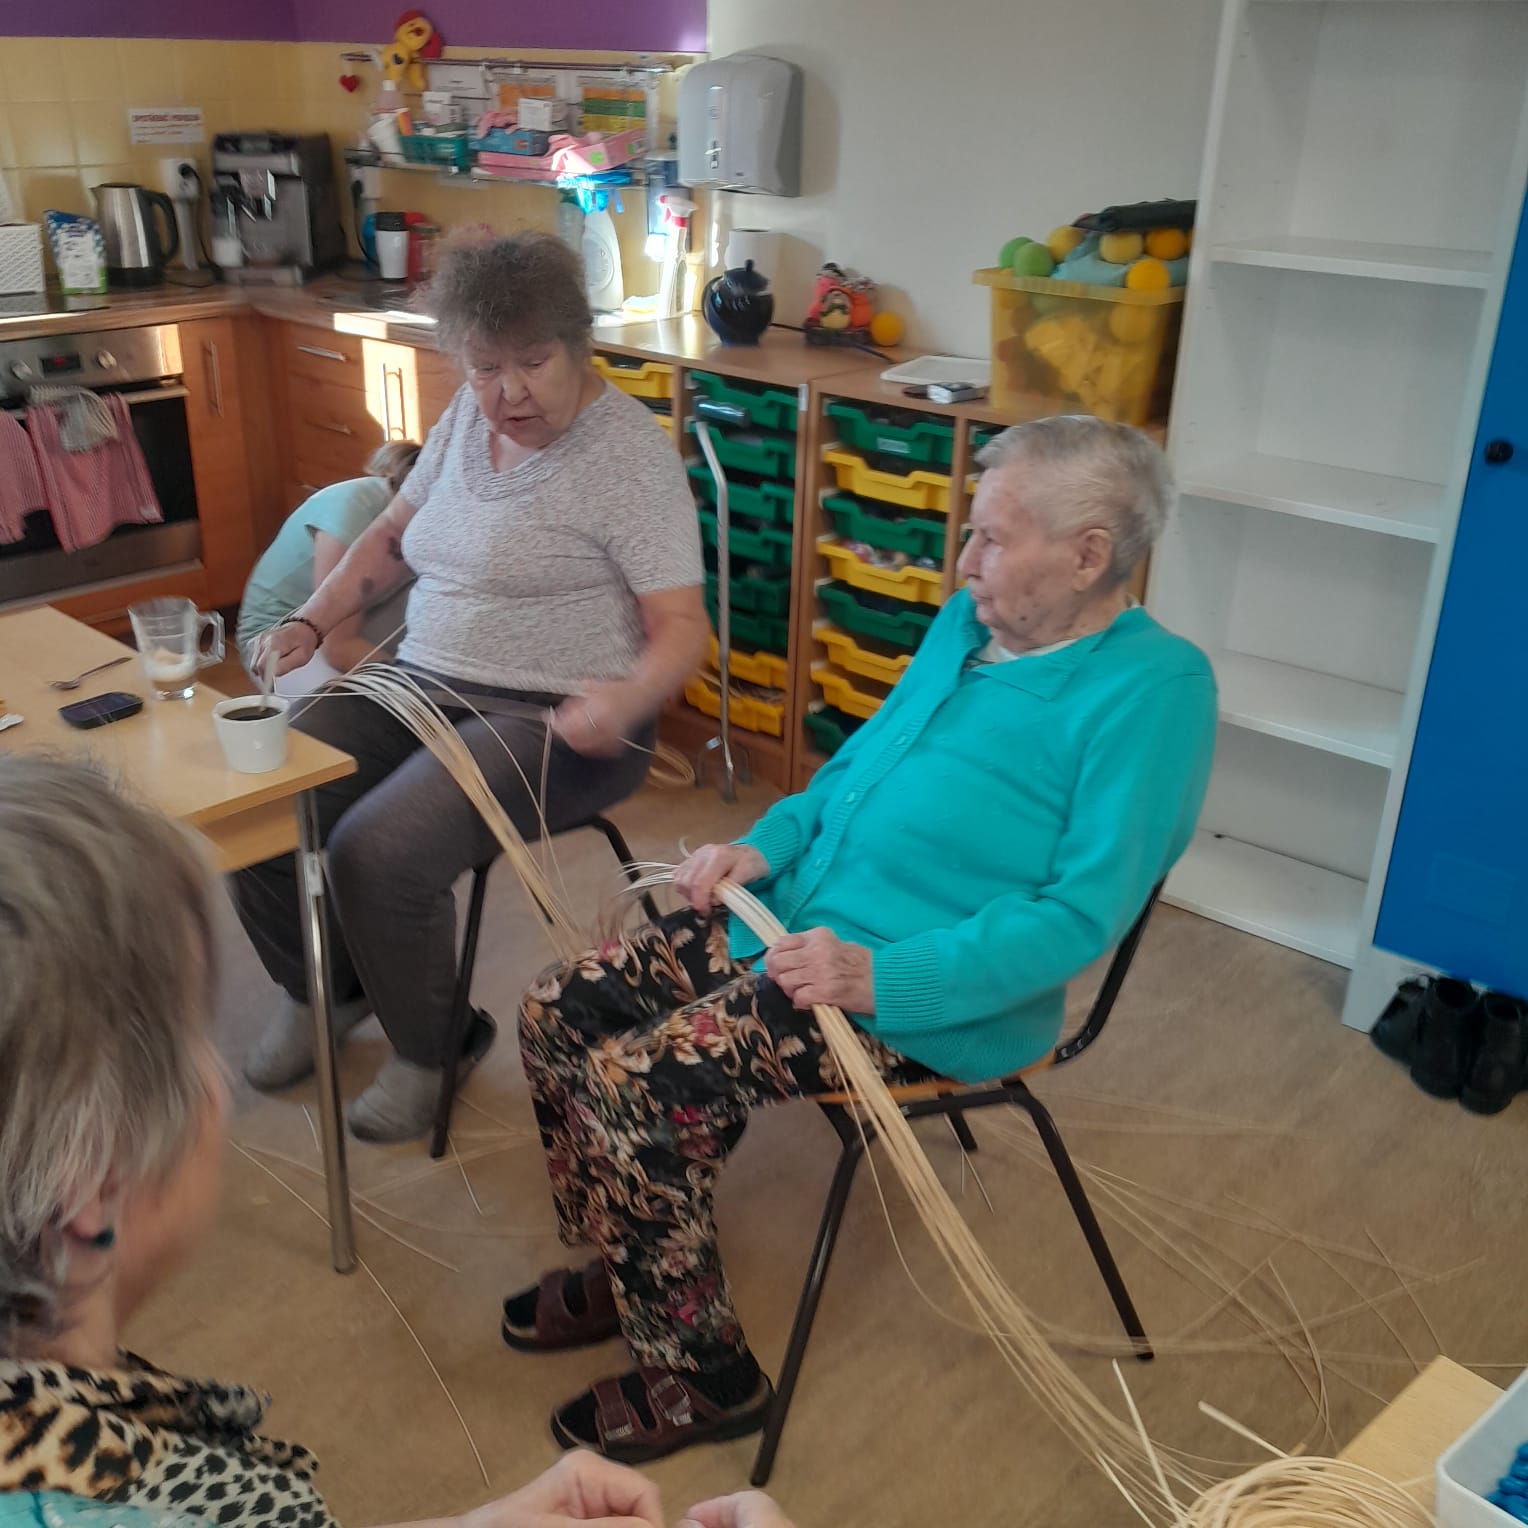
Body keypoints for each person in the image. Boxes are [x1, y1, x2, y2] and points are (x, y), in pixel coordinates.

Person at [505, 415, 1218, 1462]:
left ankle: (703, 1376)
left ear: (1087, 555)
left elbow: (1078, 916)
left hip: (922, 991)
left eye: (991, 540)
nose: (963, 562)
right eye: (968, 533)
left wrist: (883, 975)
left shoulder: (1156, 693)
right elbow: (851, 775)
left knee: (635, 1085)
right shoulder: (968, 624)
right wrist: (761, 846)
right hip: (800, 919)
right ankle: (632, 1258)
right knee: (557, 1011)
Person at [0, 755, 794, 1528]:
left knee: (631, 1079)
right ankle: (645, 1278)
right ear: (91, 1188)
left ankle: (667, 1312)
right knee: (573, 1023)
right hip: (783, 929)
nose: (214, 1063)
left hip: (838, 966)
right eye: (192, 1035)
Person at [233, 232, 708, 1144]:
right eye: (485, 367)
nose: (507, 391)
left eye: (533, 362)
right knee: (261, 792)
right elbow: (389, 537)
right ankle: (326, 987)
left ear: (580, 346)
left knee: (377, 850)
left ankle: (435, 1047)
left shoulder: (630, 458)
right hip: (424, 680)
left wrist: (626, 698)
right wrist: (310, 621)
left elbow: (683, 627)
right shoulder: (464, 420)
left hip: (558, 718)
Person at [236, 442, 422, 697]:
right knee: (364, 711)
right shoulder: (354, 511)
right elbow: (338, 648)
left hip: (364, 616)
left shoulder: (416, 513)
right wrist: (415, 692)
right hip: (282, 639)